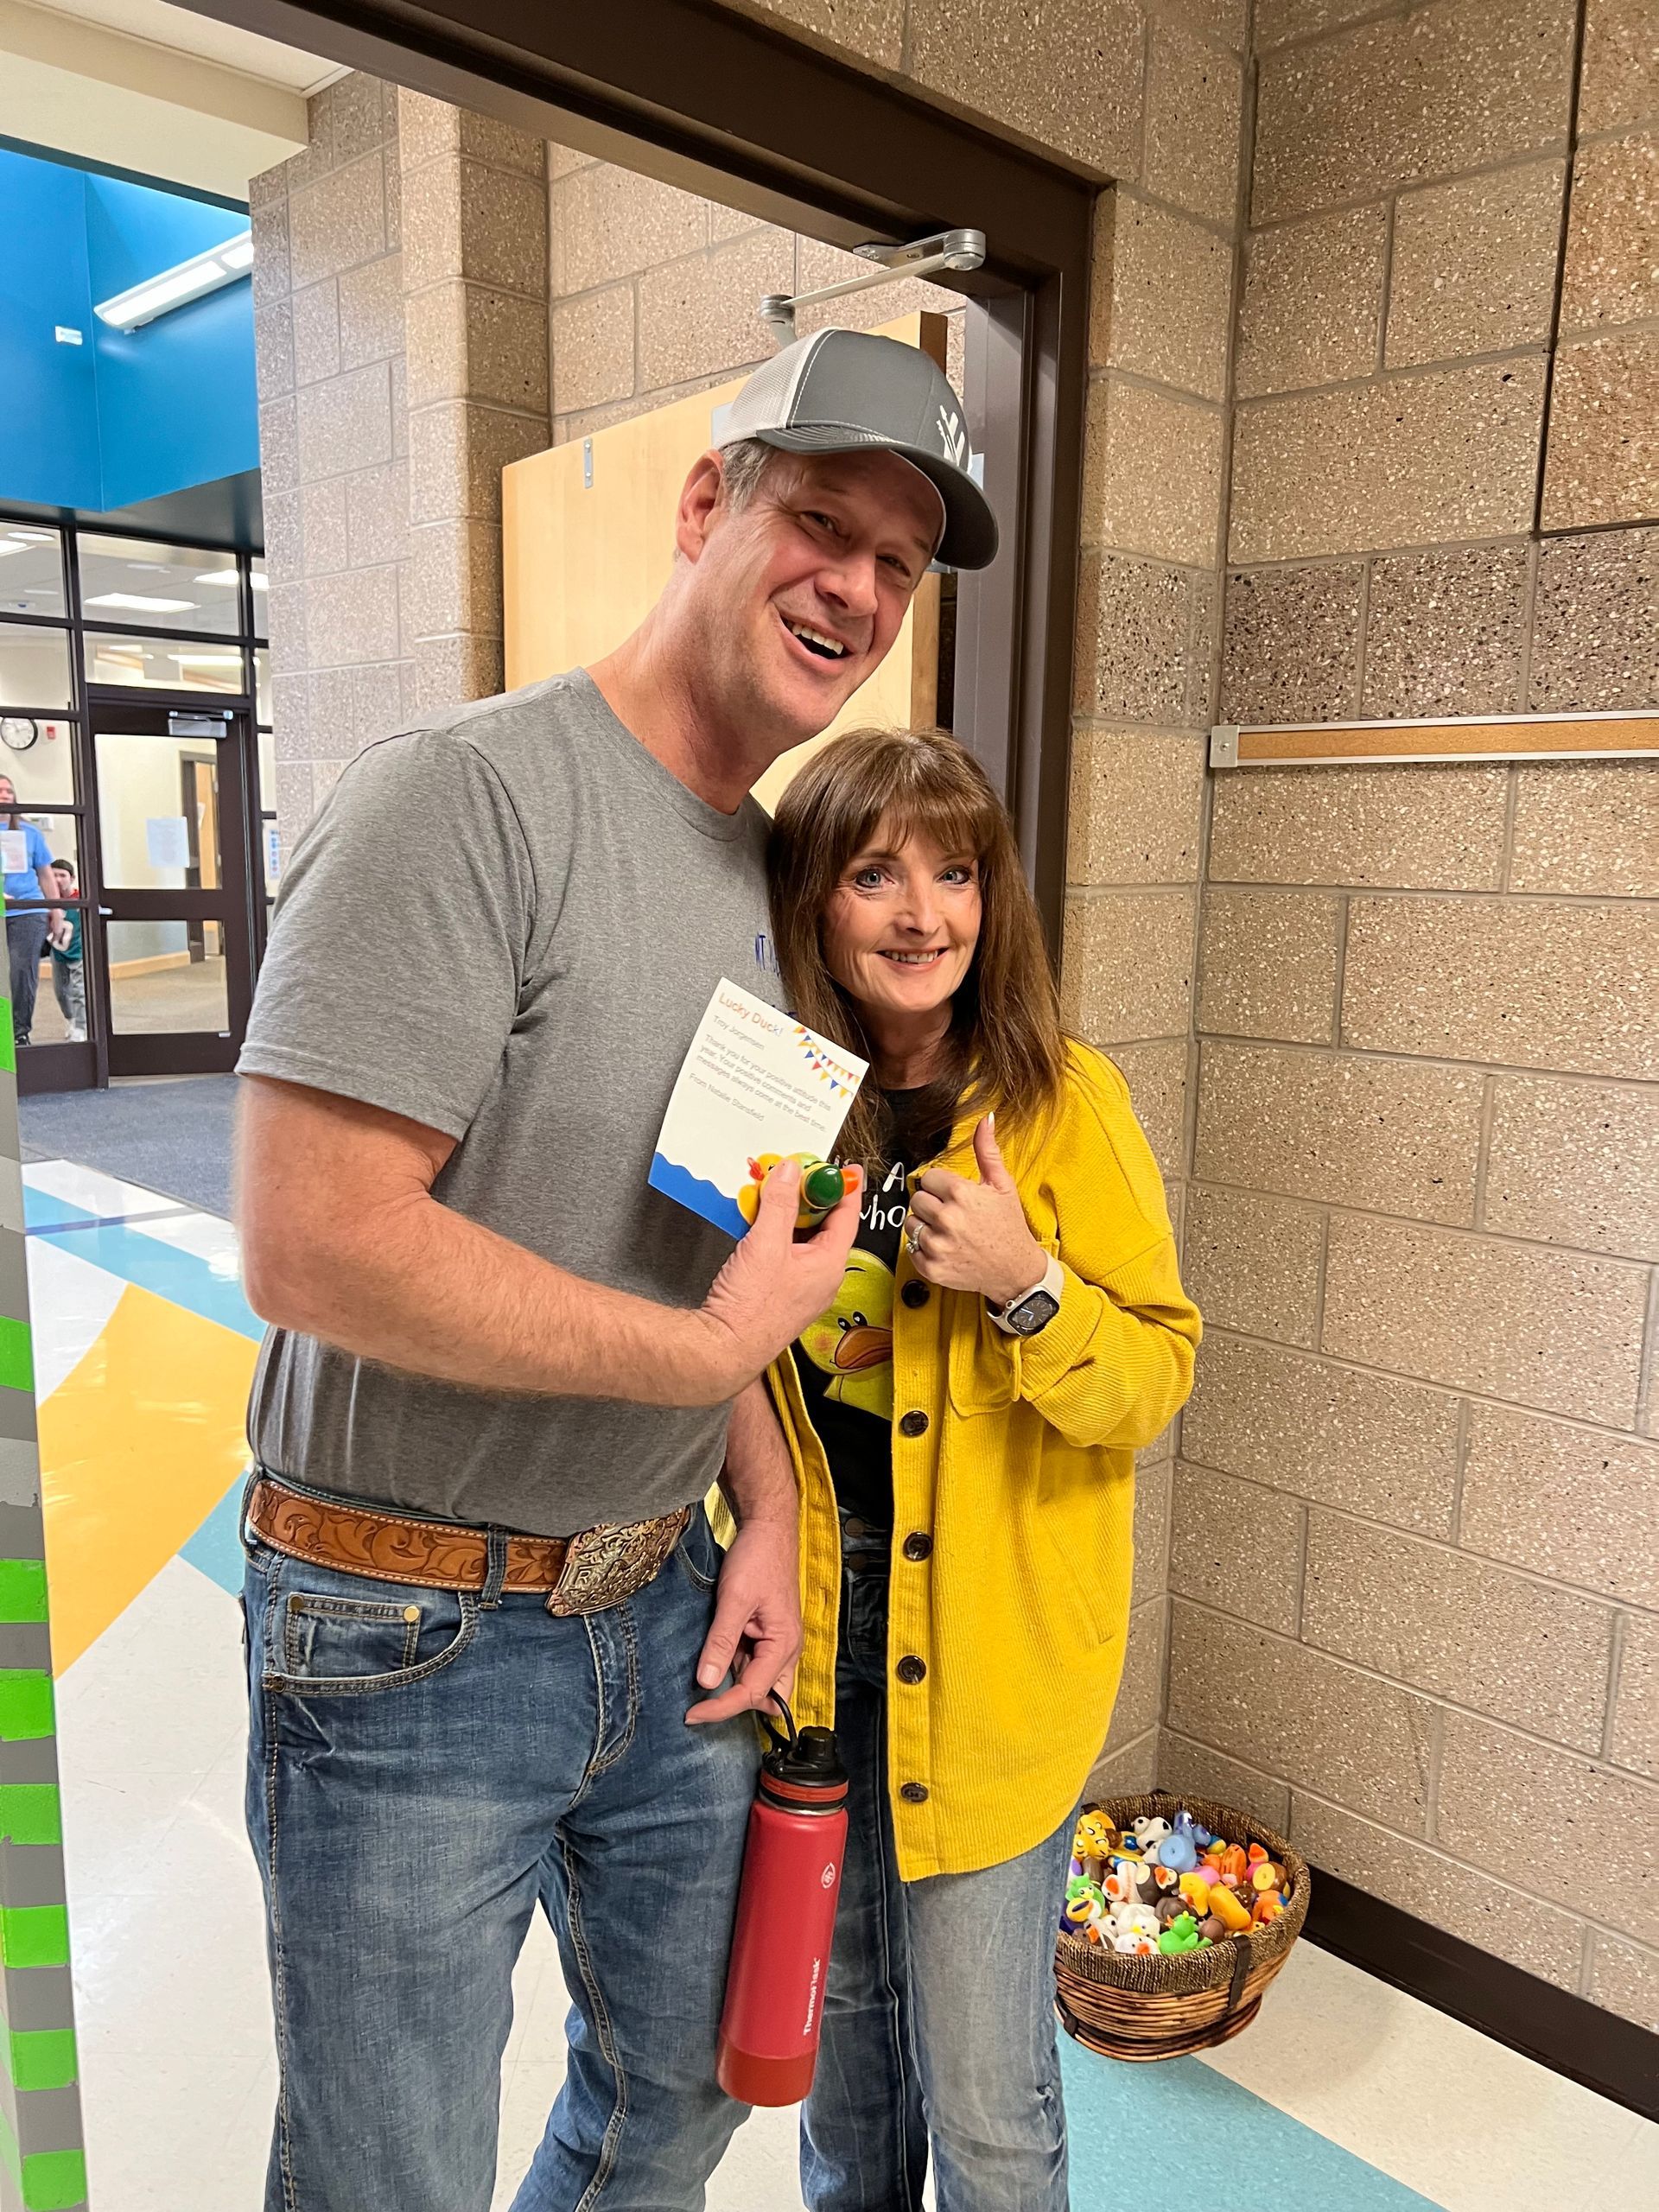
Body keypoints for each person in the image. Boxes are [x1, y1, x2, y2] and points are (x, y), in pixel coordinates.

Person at [232, 327, 1000, 2212]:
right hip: (403, 1632)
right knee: (386, 2173)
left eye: (900, 564)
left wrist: (757, 1500)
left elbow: (688, 1243)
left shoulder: (767, 871)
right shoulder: (464, 798)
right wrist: (699, 1358)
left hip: (664, 1617)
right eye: (823, 522)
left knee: (683, 2092)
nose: (857, 589)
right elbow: (311, 1240)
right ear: (706, 504)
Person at [762, 727, 1202, 2212]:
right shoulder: (772, 1094)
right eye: (873, 872)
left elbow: (1157, 1379)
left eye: (955, 872)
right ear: (812, 899)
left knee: (988, 2103)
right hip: (814, 1640)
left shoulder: (1067, 1100)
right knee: (841, 2087)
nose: (921, 913)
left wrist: (1030, 1285)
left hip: (999, 1652)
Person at [0, 776, 62, 1050]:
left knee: (21, 972)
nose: (5, 794)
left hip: (27, 909)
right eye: (0, 790)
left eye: (9, 790)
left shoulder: (28, 832)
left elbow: (46, 875)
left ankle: (19, 1032)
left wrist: (57, 909)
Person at [48, 861, 85, 1042]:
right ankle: (71, 1020)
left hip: (79, 952)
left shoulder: (80, 900)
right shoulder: (48, 901)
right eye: (54, 875)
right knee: (61, 991)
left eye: (62, 875)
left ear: (72, 878)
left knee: (79, 990)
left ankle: (81, 1027)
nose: (58, 879)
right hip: (58, 952)